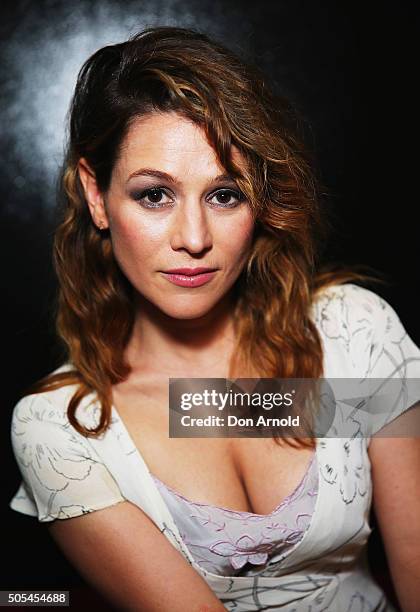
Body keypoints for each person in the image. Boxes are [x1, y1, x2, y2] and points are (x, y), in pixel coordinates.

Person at [9, 26, 420, 612]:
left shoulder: (350, 332)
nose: (195, 239)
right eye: (155, 195)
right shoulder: (65, 429)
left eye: (225, 194)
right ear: (96, 196)